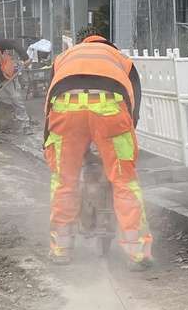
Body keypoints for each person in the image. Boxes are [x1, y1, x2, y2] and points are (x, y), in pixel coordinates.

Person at [43, 34, 152, 267]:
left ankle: (61, 248)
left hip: (65, 106)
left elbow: (50, 98)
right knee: (124, 181)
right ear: (108, 46)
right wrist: (122, 137)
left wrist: (48, 140)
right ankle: (137, 252)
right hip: (110, 106)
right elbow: (135, 107)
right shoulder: (120, 59)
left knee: (64, 180)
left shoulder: (64, 57)